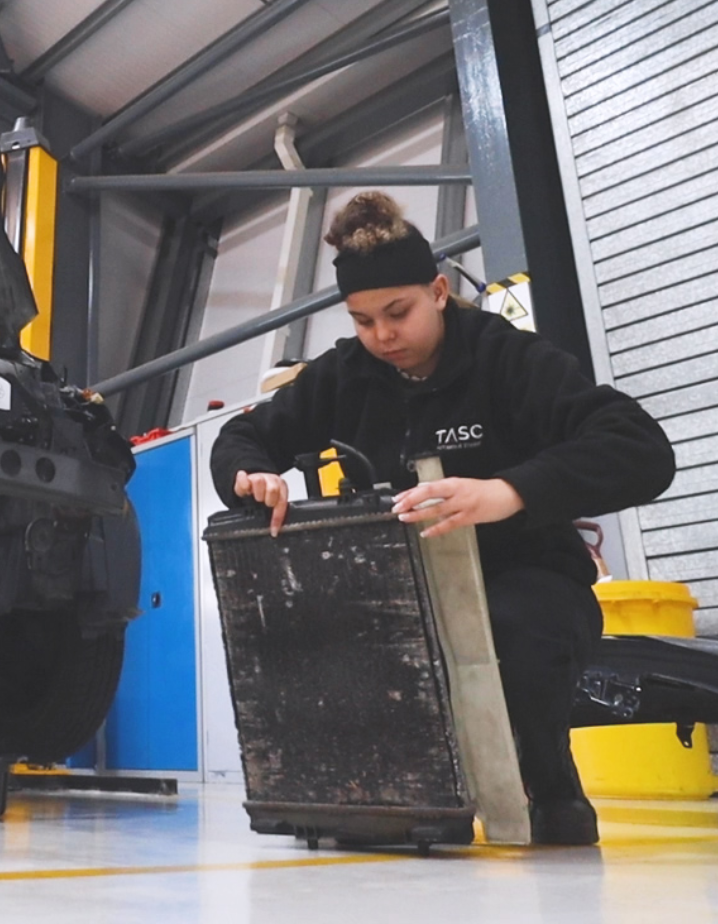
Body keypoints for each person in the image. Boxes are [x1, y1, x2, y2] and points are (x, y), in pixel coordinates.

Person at [210, 191, 676, 846]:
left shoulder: (509, 358)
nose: (382, 336)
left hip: (525, 575)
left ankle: (548, 780)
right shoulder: (346, 374)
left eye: (398, 313)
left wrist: (508, 491)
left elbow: (641, 448)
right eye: (363, 320)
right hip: (400, 591)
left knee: (521, 631)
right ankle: (381, 797)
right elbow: (242, 436)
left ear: (436, 291)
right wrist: (251, 475)